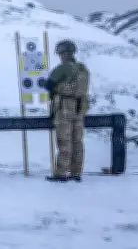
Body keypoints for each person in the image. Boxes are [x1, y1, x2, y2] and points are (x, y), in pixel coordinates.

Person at [44, 39, 90, 182]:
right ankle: (76, 173)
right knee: (78, 142)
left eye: (61, 53)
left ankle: (61, 173)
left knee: (64, 142)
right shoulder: (83, 68)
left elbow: (48, 85)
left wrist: (57, 89)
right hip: (79, 109)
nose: (60, 56)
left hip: (64, 109)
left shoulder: (63, 68)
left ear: (64, 54)